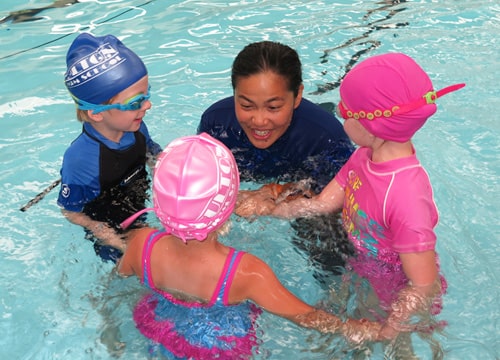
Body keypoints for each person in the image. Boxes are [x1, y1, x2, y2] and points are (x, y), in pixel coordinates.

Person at [236, 52, 465, 340]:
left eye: (346, 111)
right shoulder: (363, 157)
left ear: (373, 124)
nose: (339, 114)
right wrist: (267, 208)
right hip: (362, 262)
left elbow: (423, 284)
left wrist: (389, 330)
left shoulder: (405, 196)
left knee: (370, 346)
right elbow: (320, 204)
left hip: (393, 286)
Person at [116, 133, 382, 359]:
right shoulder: (246, 273)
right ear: (229, 203)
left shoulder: (142, 243)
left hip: (160, 329)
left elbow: (121, 277)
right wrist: (352, 328)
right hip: (219, 347)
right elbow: (306, 316)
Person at [197, 41, 356, 277]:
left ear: (298, 95)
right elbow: (200, 182)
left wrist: (275, 191)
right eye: (246, 105)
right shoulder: (217, 125)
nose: (259, 121)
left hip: (303, 169)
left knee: (327, 236)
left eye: (273, 107)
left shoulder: (324, 137)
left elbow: (340, 195)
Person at [57, 33, 162, 263]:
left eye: (147, 94)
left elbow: (152, 153)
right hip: (110, 225)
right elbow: (70, 210)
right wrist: (99, 230)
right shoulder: (80, 160)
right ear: (96, 113)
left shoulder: (137, 126)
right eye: (136, 102)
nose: (147, 105)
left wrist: (163, 167)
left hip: (137, 204)